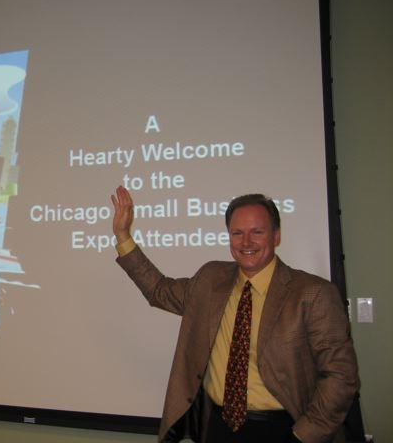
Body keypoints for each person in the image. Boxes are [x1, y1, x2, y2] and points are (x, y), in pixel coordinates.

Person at [110, 186, 359, 443]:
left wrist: (302, 436)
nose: (246, 242)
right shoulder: (210, 280)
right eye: (237, 233)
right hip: (218, 427)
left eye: (257, 232)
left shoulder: (313, 293)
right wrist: (122, 235)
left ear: (276, 235)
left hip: (284, 429)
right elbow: (159, 290)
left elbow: (340, 376)